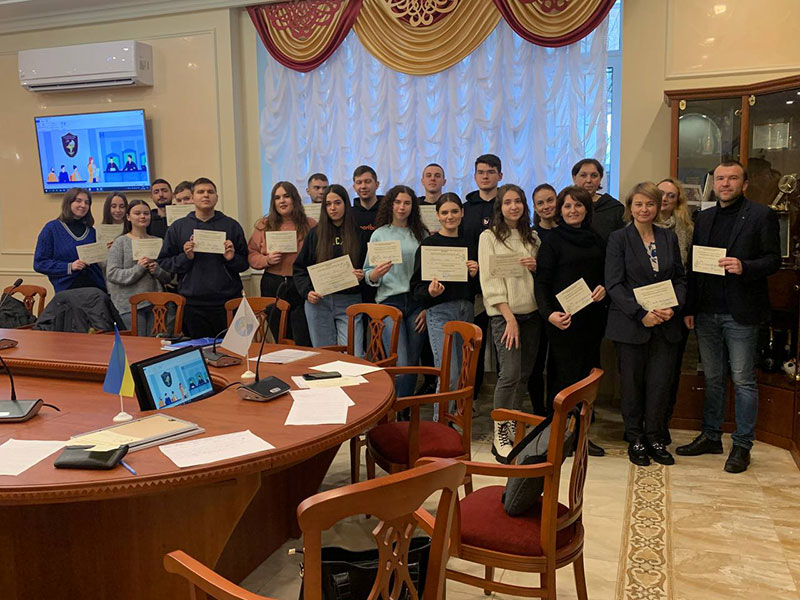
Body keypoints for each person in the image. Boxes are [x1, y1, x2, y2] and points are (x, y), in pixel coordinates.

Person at [677, 160, 781, 473]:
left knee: (743, 380)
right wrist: (690, 308)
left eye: (732, 178)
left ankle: (742, 444)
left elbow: (773, 260)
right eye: (720, 178)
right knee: (712, 378)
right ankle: (711, 436)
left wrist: (745, 266)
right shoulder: (704, 217)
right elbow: (695, 267)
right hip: (706, 312)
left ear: (744, 184)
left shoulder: (761, 215)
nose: (725, 184)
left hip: (741, 313)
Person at [605, 182, 687, 466]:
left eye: (650, 204)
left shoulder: (668, 237)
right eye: (638, 204)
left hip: (665, 324)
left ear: (658, 207)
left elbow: (680, 278)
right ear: (630, 207)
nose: (644, 209)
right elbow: (614, 284)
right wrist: (641, 314)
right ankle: (636, 438)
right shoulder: (619, 238)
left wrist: (672, 307)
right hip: (631, 325)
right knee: (631, 385)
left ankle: (654, 436)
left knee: (659, 384)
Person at [534, 186, 607, 454]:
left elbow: (605, 276)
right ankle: (560, 435)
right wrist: (549, 314)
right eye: (567, 206)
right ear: (560, 210)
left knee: (587, 376)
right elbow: (542, 283)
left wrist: (604, 288)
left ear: (587, 209)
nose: (573, 210)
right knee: (564, 376)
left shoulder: (597, 239)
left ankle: (580, 434)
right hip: (562, 320)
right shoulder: (552, 241)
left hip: (592, 319)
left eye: (578, 205)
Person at [478, 184, 540, 461]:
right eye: (507, 202)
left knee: (524, 374)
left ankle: (514, 424)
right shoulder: (489, 237)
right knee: (509, 374)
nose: (513, 207)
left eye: (518, 201)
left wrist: (536, 267)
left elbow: (540, 279)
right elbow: (489, 281)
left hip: (532, 315)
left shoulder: (533, 237)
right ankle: (500, 433)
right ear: (500, 207)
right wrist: (509, 317)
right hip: (505, 316)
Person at [157, 177, 249, 338]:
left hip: (227, 302)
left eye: (210, 192)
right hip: (192, 303)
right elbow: (164, 262)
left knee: (229, 349)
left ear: (216, 197)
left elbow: (245, 263)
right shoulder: (178, 227)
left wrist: (231, 258)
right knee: (197, 349)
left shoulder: (231, 225)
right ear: (193, 197)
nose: (206, 195)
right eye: (201, 192)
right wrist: (186, 257)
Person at [363, 185, 429, 398]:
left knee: (412, 362)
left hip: (417, 303)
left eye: (407, 203)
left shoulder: (422, 234)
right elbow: (367, 273)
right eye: (398, 202)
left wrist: (427, 307)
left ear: (413, 206)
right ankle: (395, 404)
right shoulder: (379, 234)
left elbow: (429, 273)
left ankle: (404, 409)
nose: (402, 207)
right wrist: (375, 274)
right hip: (389, 302)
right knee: (400, 360)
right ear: (390, 205)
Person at [411, 193, 479, 395]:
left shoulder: (470, 244)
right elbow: (416, 287)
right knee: (448, 375)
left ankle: (457, 415)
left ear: (462, 213)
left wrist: (475, 274)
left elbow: (477, 289)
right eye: (445, 212)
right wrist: (430, 292)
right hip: (440, 313)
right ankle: (441, 415)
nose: (450, 216)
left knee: (463, 374)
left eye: (455, 211)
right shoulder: (429, 245)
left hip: (466, 311)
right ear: (438, 215)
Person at [293, 184, 365, 353]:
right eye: (328, 204)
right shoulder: (315, 233)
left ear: (346, 204)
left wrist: (362, 275)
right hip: (319, 302)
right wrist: (307, 292)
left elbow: (367, 268)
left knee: (355, 354)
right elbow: (300, 268)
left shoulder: (359, 233)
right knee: (324, 355)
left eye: (337, 203)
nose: (333, 208)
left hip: (350, 301)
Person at [248, 181, 316, 346]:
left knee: (302, 337)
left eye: (286, 196)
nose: (282, 201)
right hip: (273, 283)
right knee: (279, 334)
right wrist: (267, 260)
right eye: (277, 198)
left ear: (295, 199)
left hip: (301, 284)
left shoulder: (310, 225)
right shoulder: (264, 225)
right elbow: (251, 254)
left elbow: (319, 254)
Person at [656, 177, 695, 443]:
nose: (665, 199)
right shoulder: (637, 226)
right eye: (661, 194)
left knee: (669, 370)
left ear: (678, 200)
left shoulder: (687, 229)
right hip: (644, 310)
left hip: (675, 307)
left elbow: (689, 273)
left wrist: (680, 305)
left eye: (671, 195)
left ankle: (662, 422)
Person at [462, 153, 503, 403]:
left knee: (503, 347)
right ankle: (471, 398)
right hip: (473, 290)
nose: (485, 176)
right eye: (481, 172)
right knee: (474, 344)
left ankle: (504, 401)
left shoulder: (507, 204)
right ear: (475, 176)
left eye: (490, 172)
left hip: (501, 288)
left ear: (500, 175)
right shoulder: (465, 209)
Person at [106, 200, 173, 334]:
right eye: (137, 213)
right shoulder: (120, 242)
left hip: (156, 303)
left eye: (146, 213)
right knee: (137, 343)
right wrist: (139, 268)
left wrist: (157, 270)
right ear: (128, 217)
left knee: (155, 343)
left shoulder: (157, 241)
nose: (142, 216)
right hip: (129, 305)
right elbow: (112, 274)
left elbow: (168, 276)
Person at [34, 188, 106, 292]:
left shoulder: (91, 231)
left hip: (95, 289)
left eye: (87, 202)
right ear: (68, 203)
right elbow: (40, 263)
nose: (83, 205)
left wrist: (105, 250)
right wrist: (70, 266)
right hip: (67, 291)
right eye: (78, 201)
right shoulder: (52, 229)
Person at [528, 183, 558, 415]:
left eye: (550, 200)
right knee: (536, 363)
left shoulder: (566, 231)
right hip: (536, 305)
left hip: (562, 305)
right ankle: (539, 411)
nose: (546, 206)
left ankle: (557, 409)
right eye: (540, 203)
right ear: (535, 208)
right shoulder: (529, 236)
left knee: (558, 362)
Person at [571, 158, 624, 243]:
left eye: (594, 176)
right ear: (574, 178)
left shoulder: (614, 208)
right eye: (583, 175)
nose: (588, 180)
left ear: (600, 178)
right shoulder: (564, 205)